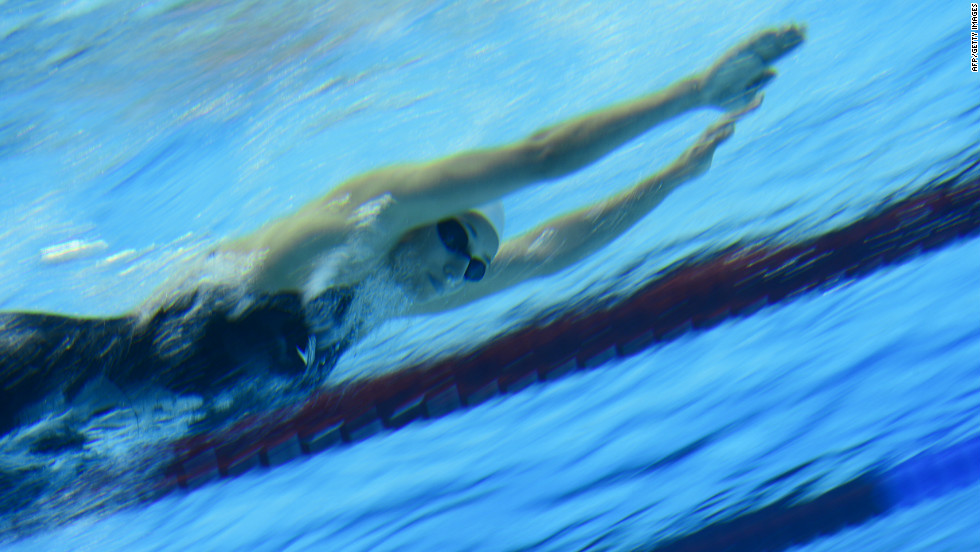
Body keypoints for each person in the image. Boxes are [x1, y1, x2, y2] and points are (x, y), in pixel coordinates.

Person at [0, 25, 805, 442]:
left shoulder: (381, 304)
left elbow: (554, 250)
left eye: (471, 269)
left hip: (71, 437)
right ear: (420, 223)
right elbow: (540, 159)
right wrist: (689, 95)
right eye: (456, 245)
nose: (461, 274)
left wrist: (673, 177)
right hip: (34, 369)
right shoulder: (351, 229)